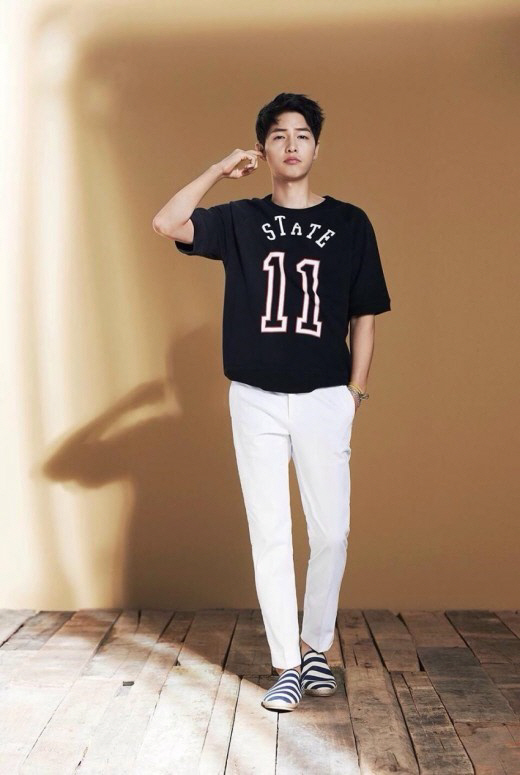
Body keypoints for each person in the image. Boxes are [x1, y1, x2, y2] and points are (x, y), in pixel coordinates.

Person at [153, 92, 391, 712]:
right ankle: (287, 663)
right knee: (270, 534)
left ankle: (315, 649)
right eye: (279, 135)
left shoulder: (350, 223)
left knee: (331, 533)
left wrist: (355, 391)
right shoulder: (240, 219)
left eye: (302, 134)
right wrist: (218, 169)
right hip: (255, 398)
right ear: (263, 148)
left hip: (324, 397)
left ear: (316, 147)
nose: (291, 144)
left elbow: (365, 313)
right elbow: (167, 223)